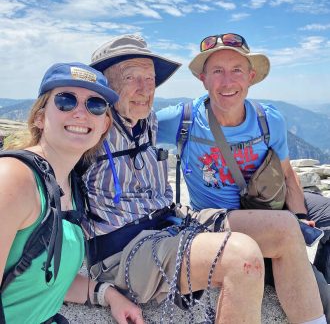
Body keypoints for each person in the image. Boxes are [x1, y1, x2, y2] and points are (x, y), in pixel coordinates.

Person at [79, 34, 267, 323]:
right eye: (132, 78)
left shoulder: (149, 121)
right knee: (241, 256)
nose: (145, 89)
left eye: (150, 79)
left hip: (170, 223)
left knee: (283, 228)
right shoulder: (88, 130)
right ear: (106, 83)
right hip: (123, 251)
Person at [157, 33, 328, 323]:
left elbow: (287, 175)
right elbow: (124, 125)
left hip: (269, 204)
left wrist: (299, 217)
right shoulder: (182, 119)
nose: (227, 82)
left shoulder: (268, 119)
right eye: (217, 71)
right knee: (318, 290)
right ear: (203, 79)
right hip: (225, 220)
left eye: (236, 70)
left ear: (250, 77)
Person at [0, 62, 141, 323]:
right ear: (40, 117)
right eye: (66, 101)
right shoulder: (13, 179)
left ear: (104, 126)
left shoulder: (71, 187)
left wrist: (106, 293)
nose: (81, 112)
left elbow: (45, 277)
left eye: (95, 105)